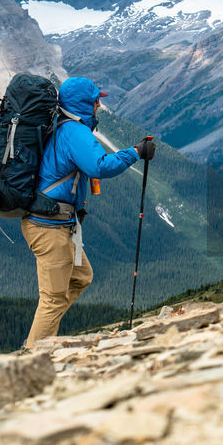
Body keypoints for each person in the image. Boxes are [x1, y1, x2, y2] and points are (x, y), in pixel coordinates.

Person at [21, 76, 155, 347]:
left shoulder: (64, 126)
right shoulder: (74, 132)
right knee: (52, 299)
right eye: (96, 101)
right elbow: (99, 167)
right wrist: (136, 152)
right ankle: (33, 356)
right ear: (85, 103)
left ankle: (44, 339)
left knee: (81, 277)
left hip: (60, 222)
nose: (98, 106)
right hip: (49, 226)